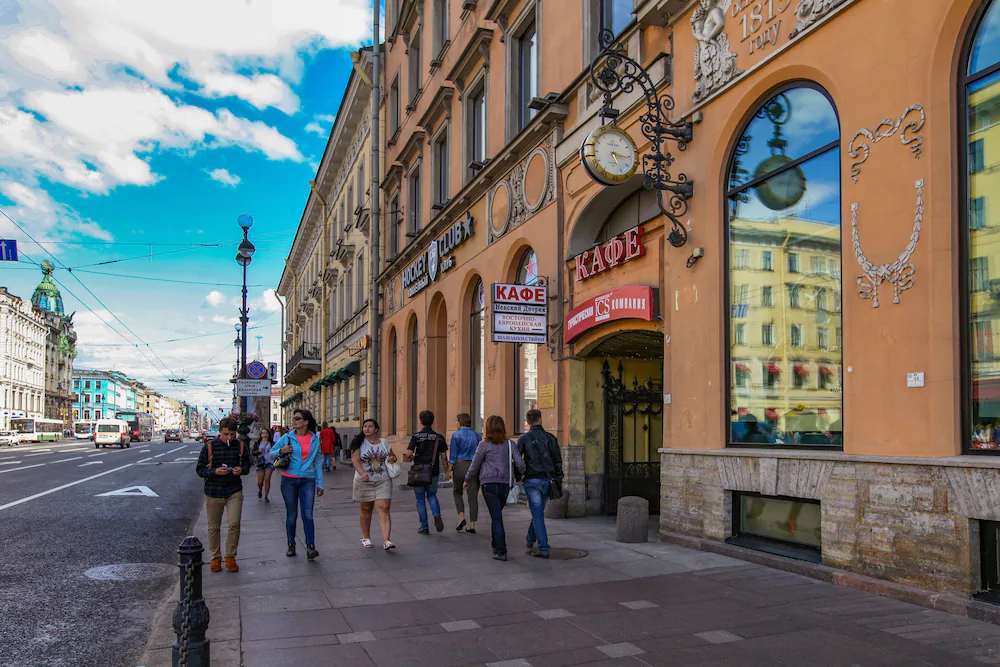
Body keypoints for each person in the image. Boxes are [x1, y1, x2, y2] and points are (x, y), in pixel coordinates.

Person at [195, 417, 251, 573]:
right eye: (226, 434)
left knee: (234, 523)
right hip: (214, 491)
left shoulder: (240, 446)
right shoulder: (209, 447)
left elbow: (247, 465)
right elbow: (200, 470)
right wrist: (214, 471)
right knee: (214, 526)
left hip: (234, 490)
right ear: (220, 431)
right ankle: (215, 557)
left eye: (232, 434)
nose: (229, 438)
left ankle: (230, 556)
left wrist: (242, 470)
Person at [466, 415, 524, 561]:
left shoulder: (483, 445)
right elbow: (521, 464)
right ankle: (495, 545)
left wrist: (467, 479)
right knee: (496, 515)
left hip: (488, 484)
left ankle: (501, 550)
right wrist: (522, 475)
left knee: (496, 516)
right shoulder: (510, 444)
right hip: (505, 484)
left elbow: (475, 465)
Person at [273, 409, 324, 559]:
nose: (294, 421)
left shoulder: (314, 440)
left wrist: (319, 484)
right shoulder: (287, 438)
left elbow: (317, 462)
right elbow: (272, 453)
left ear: (305, 422)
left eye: (297, 418)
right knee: (292, 515)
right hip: (289, 479)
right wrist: (281, 450)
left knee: (308, 515)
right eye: (294, 418)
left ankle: (311, 546)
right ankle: (291, 544)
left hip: (307, 480)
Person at [516, 409, 563, 559]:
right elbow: (557, 461)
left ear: (528, 422)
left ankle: (543, 548)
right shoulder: (551, 438)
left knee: (537, 514)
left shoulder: (524, 438)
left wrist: (519, 476)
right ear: (540, 420)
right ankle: (530, 539)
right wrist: (558, 478)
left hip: (531, 480)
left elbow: (517, 460)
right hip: (547, 480)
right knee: (538, 512)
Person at [351, 418, 397, 550]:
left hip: (383, 480)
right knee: (366, 509)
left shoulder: (384, 443)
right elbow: (355, 461)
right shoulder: (358, 443)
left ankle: (386, 540)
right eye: (365, 426)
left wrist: (393, 458)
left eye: (370, 426)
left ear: (376, 429)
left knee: (384, 508)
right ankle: (366, 537)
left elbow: (393, 456)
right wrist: (363, 473)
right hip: (364, 481)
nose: (367, 428)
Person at [403, 410, 449, 534]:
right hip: (433, 471)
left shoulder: (416, 436)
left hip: (419, 471)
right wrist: (447, 472)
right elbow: (444, 457)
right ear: (433, 422)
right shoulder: (439, 437)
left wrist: (415, 458)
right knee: (432, 495)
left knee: (420, 499)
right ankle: (436, 514)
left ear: (421, 421)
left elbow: (408, 453)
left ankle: (424, 526)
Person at [448, 413, 481, 533]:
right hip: (473, 466)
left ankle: (461, 517)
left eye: (456, 421)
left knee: (457, 491)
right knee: (473, 496)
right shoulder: (477, 435)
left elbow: (453, 455)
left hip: (460, 465)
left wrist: (449, 470)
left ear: (460, 422)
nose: (456, 423)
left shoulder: (456, 435)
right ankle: (472, 524)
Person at [254, 426, 274, 502]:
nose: (264, 434)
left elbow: (275, 451)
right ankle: (260, 489)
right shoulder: (258, 443)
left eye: (265, 432)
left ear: (268, 434)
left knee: (267, 479)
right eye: (262, 433)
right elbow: (253, 452)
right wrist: (258, 451)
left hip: (269, 462)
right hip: (260, 462)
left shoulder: (271, 443)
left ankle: (266, 496)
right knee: (260, 481)